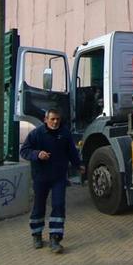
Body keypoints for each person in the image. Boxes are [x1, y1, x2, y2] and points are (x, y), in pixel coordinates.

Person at [20, 108, 83, 253]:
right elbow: (24, 151)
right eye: (52, 119)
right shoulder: (36, 134)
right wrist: (37, 154)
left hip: (59, 177)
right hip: (40, 177)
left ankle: (55, 239)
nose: (55, 122)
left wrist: (78, 165)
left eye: (57, 119)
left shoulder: (65, 133)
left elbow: (71, 152)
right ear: (45, 119)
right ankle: (37, 235)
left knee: (59, 205)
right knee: (39, 206)